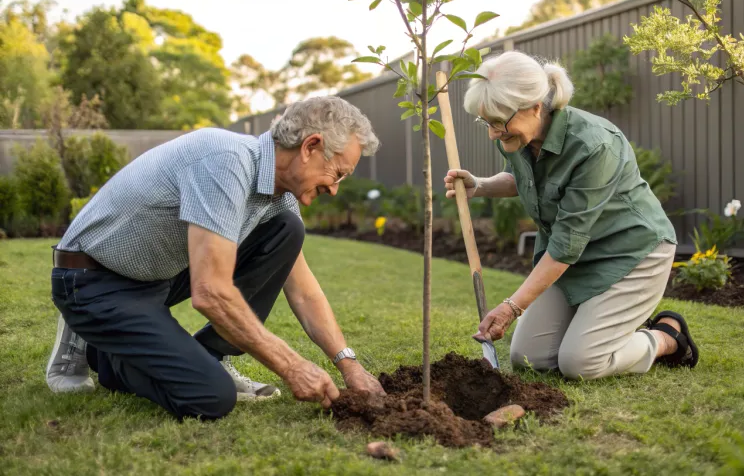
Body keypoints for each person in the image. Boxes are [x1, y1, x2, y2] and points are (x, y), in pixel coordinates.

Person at [46, 96, 386, 420]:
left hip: (154, 276)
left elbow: (304, 291)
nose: (336, 187)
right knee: (209, 397)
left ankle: (205, 355)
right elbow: (210, 292)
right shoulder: (225, 161)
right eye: (338, 173)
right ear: (310, 147)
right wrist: (291, 366)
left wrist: (348, 365)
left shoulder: (279, 196)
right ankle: (90, 339)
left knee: (288, 231)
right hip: (94, 280)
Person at [444, 51, 699, 380]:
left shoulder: (593, 146)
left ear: (535, 106)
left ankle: (667, 337)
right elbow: (525, 181)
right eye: (487, 123)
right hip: (575, 258)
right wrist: (479, 185)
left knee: (580, 363)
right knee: (529, 358)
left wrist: (512, 306)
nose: (493, 133)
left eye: (499, 122)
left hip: (630, 254)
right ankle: (596, 324)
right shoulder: (516, 137)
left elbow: (565, 245)